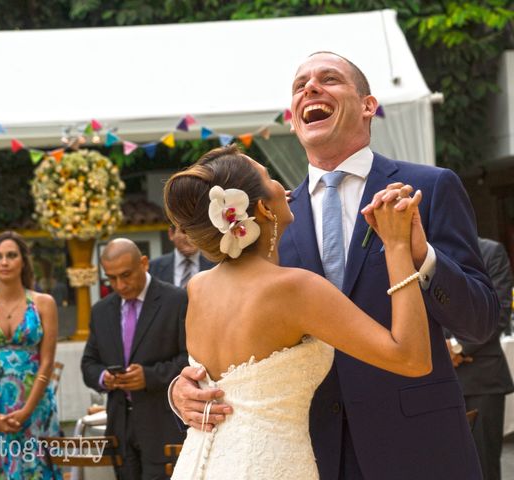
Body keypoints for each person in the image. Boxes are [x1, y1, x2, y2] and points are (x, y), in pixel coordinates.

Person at [171, 52, 498, 480]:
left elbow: (481, 322)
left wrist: (420, 255)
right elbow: (235, 350)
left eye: (329, 79)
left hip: (419, 447)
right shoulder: (269, 219)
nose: (311, 88)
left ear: (368, 106)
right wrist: (184, 388)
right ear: (292, 120)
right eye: (300, 85)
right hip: (306, 451)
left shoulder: (430, 187)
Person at [164, 145, 431, 479]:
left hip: (197, 466)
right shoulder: (294, 289)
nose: (283, 186)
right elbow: (412, 358)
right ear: (263, 207)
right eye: (269, 177)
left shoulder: (198, 287)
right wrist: (397, 246)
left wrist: (177, 389)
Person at [81, 238, 187, 480]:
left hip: (163, 423)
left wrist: (149, 377)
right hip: (121, 426)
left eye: (126, 275)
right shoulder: (101, 310)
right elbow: (89, 364)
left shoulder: (176, 300)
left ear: (144, 263)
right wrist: (104, 377)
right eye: (111, 278)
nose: (120, 285)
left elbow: (191, 360)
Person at [0, 231, 62, 479]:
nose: (4, 262)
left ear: (23, 260)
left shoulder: (44, 303)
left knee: (37, 471)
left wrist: (27, 410)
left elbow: (48, 362)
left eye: (11, 255)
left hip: (36, 405)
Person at [449, 237, 514, 480]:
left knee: (483, 467)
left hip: (481, 381)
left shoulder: (490, 251)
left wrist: (457, 347)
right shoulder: (421, 254)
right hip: (434, 382)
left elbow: (500, 311)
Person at [149, 225, 214, 287]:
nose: (189, 237)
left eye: (194, 231)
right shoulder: (152, 267)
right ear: (171, 234)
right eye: (184, 231)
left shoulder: (217, 265)